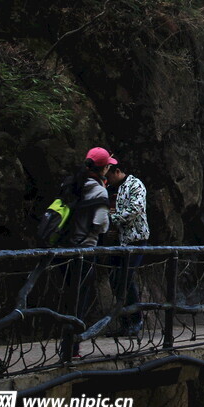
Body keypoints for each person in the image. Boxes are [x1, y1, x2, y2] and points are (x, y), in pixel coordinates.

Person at [61, 147, 114, 360]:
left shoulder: (72, 183)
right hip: (84, 251)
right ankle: (72, 350)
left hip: (64, 249)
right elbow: (100, 224)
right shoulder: (99, 191)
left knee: (67, 299)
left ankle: (65, 346)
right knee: (79, 301)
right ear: (104, 167)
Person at [106, 161, 149, 337]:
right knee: (116, 281)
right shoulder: (109, 188)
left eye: (108, 175)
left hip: (135, 239)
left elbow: (134, 209)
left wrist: (109, 219)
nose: (106, 179)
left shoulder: (135, 184)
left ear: (117, 171)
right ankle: (124, 322)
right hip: (116, 242)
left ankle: (136, 320)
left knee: (125, 279)